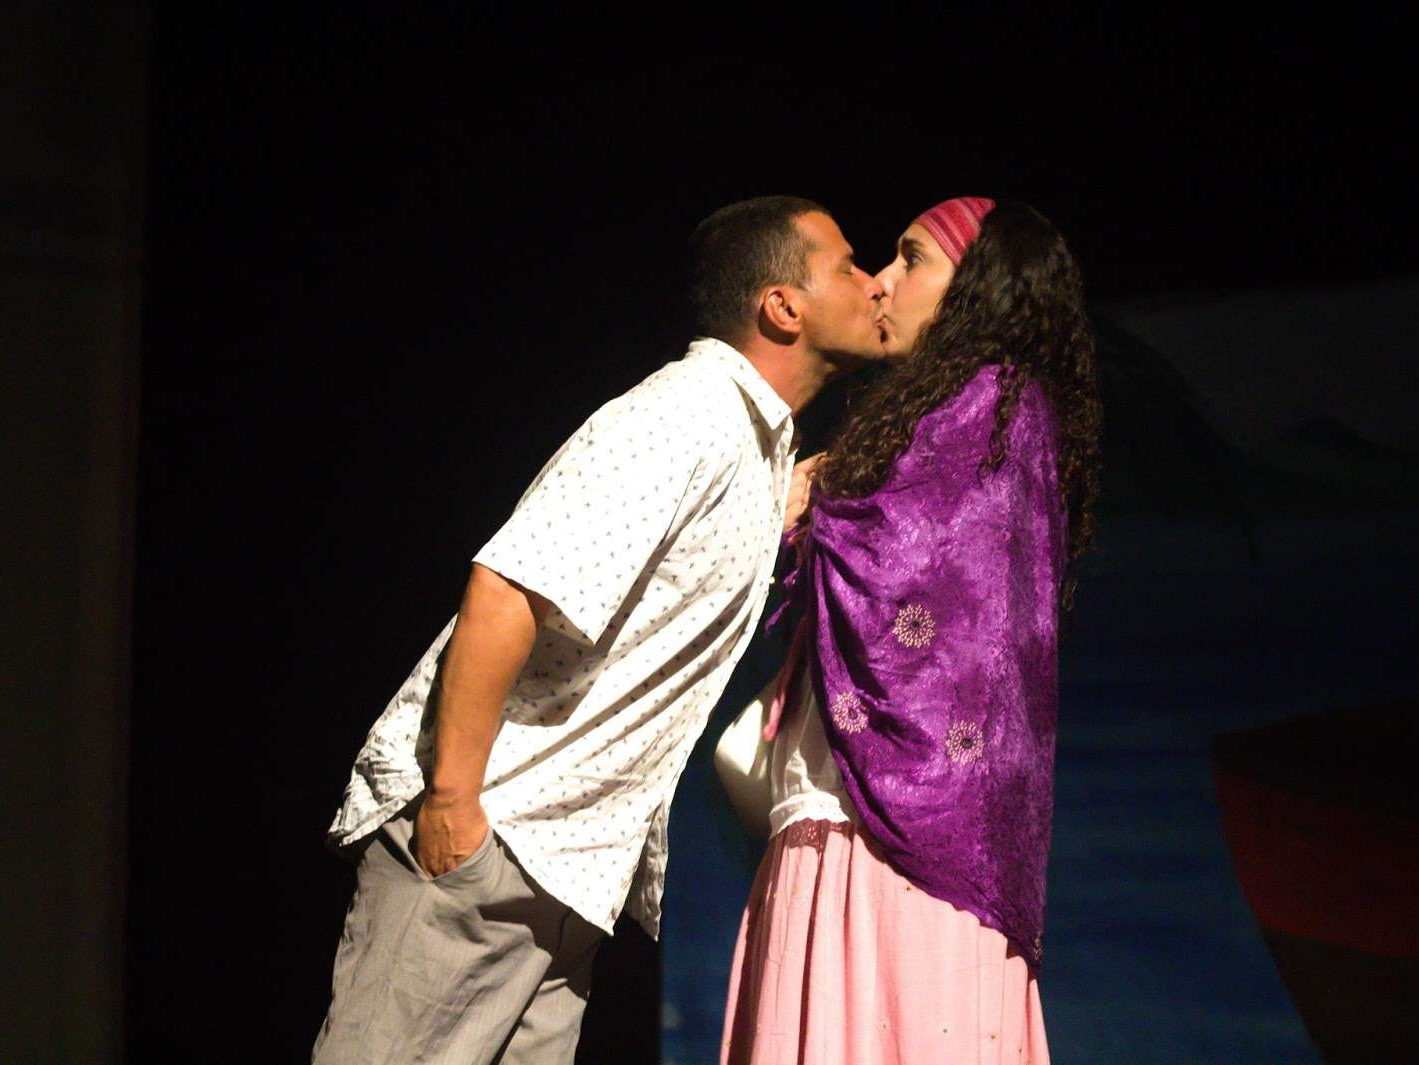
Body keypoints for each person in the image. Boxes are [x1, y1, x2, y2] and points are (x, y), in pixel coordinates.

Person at [310, 195, 886, 1065]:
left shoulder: (747, 442)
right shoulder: (686, 414)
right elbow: (507, 587)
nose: (872, 283)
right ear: (781, 306)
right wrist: (454, 806)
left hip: (562, 874)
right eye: (846, 265)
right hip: (493, 841)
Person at [721, 197, 1102, 1065]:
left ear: (978, 288)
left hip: (899, 838)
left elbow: (907, 565)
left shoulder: (994, 406)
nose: (883, 282)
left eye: (912, 258)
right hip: (863, 822)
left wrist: (807, 505)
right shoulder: (960, 416)